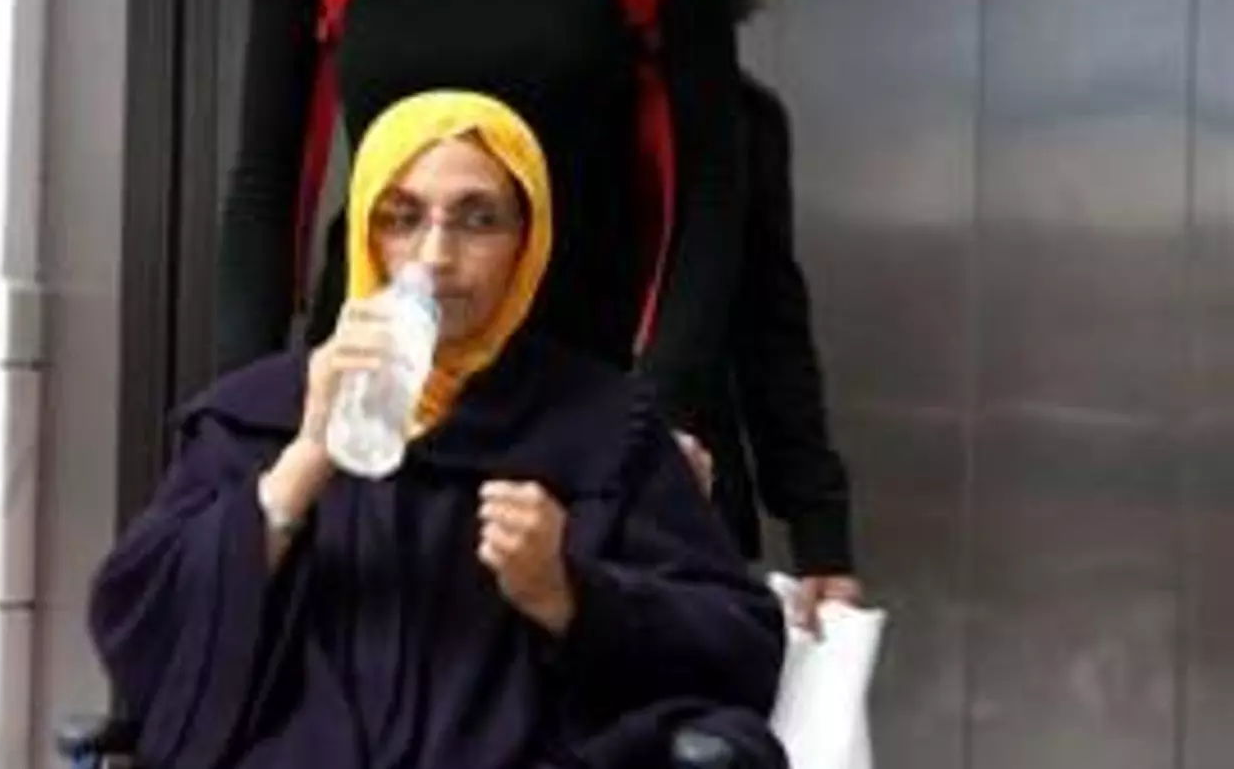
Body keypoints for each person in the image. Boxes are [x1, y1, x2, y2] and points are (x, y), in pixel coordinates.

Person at [93, 91, 787, 769]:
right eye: (401, 217)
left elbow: (738, 648)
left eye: (478, 220)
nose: (436, 255)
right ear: (364, 233)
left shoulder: (606, 429)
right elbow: (141, 629)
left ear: (527, 243)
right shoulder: (254, 416)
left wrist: (568, 594)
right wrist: (303, 462)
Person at [214, 0, 745, 458]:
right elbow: (267, 182)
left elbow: (711, 185)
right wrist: (242, 430)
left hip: (585, 395)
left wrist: (656, 419)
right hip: (379, 390)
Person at [706, 0, 864, 632]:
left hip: (693, 497)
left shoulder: (741, 119)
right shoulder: (535, 111)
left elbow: (769, 328)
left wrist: (820, 530)